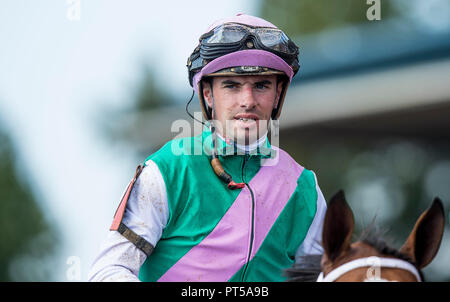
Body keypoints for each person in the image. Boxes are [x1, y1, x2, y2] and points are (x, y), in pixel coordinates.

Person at [88, 13, 326, 282]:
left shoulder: (305, 189)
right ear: (208, 95)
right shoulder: (168, 169)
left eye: (261, 85)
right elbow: (108, 272)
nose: (247, 101)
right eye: (232, 86)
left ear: (278, 95)